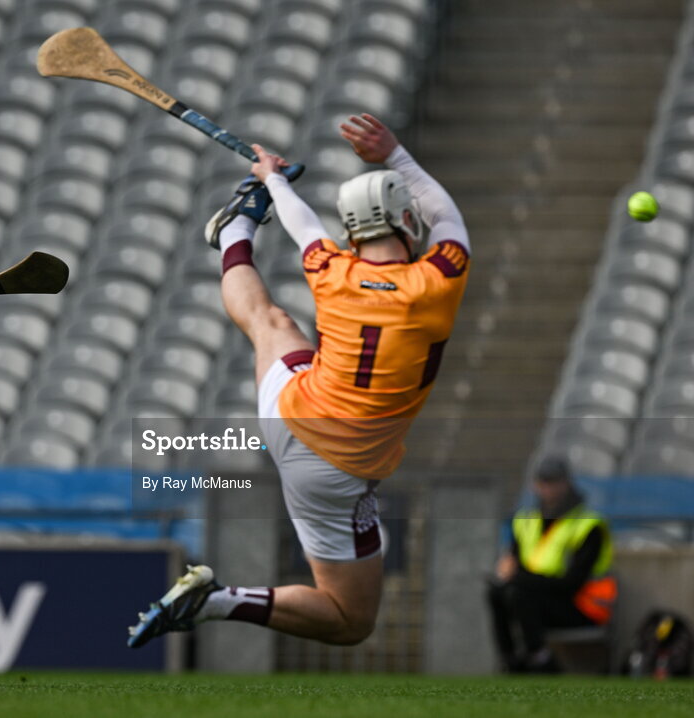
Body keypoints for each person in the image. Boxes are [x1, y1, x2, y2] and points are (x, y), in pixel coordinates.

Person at [128, 113, 470, 648]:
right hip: (335, 470)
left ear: (352, 233)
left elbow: (302, 224)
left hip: (290, 406)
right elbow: (447, 215)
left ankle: (236, 230)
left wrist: (273, 180)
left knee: (271, 322)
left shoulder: (331, 269)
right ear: (406, 218)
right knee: (350, 620)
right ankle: (216, 601)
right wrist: (395, 154)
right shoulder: (438, 280)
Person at [487, 456, 616, 673]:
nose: (548, 488)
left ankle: (541, 659)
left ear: (566, 483)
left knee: (519, 593)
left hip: (582, 606)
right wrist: (507, 571)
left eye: (553, 481)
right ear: (535, 485)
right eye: (543, 482)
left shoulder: (588, 525)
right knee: (497, 591)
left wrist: (520, 578)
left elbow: (571, 583)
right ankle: (510, 661)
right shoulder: (526, 521)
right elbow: (514, 561)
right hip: (538, 597)